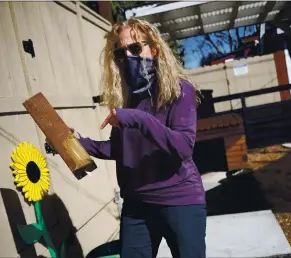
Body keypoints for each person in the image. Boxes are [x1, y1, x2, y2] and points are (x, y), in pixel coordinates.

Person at [73, 18, 206, 258]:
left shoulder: (178, 90)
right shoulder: (130, 98)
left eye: (135, 48)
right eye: (121, 53)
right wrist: (80, 142)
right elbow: (118, 149)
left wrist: (137, 118)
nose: (129, 57)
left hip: (178, 199)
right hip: (136, 203)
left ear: (154, 49)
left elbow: (183, 147)